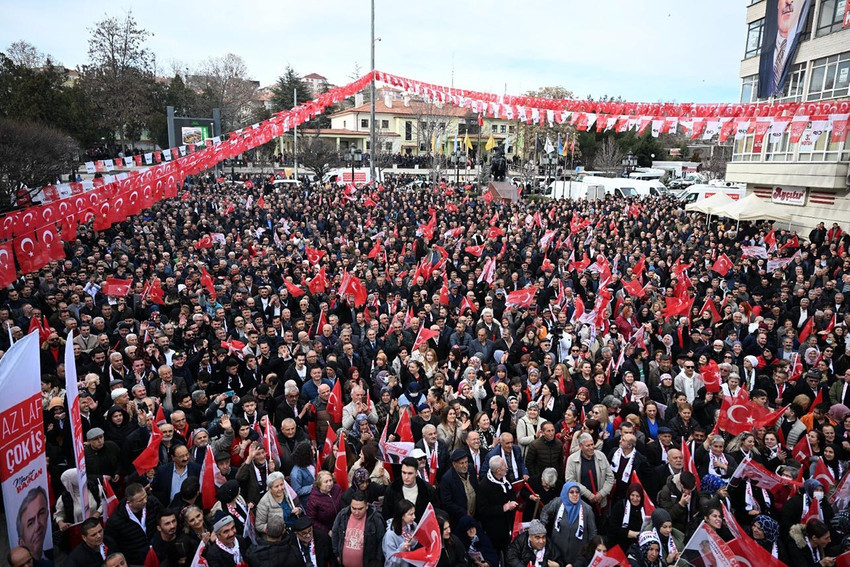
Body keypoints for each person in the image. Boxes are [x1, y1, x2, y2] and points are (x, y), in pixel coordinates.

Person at [104, 483, 165, 566]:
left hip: (158, 554)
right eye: (140, 500)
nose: (145, 501)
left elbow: (165, 517)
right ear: (129, 502)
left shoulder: (153, 503)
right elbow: (113, 548)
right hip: (136, 562)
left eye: (145, 496)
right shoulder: (115, 522)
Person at [539, 481, 596, 566]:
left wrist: (589, 551)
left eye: (577, 492)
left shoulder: (587, 509)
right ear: (566, 492)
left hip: (577, 554)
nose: (575, 494)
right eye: (571, 492)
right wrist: (542, 527)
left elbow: (593, 531)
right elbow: (545, 511)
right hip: (557, 551)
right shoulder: (558, 502)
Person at [331, 490, 386, 567]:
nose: (356, 512)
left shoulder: (375, 519)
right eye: (353, 508)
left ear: (366, 506)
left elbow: (381, 541)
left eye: (360, 509)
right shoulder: (343, 515)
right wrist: (337, 553)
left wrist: (377, 562)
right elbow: (335, 533)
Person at [476, 456, 518, 553]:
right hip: (495, 528)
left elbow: (511, 492)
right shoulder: (484, 486)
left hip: (508, 523)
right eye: (504, 465)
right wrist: (503, 508)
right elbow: (483, 510)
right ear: (498, 470)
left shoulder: (505, 478)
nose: (506, 467)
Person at [382, 456, 438, 521]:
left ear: (416, 473)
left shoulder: (427, 489)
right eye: (404, 473)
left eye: (410, 473)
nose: (406, 477)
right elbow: (386, 514)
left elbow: (434, 512)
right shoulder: (392, 489)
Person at [440, 448, 479, 524]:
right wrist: (463, 512)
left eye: (466, 462)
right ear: (454, 464)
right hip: (460, 519)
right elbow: (447, 502)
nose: (465, 466)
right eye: (461, 463)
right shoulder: (447, 479)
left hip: (475, 515)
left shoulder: (471, 469)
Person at [16, 486, 50, 563]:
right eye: (30, 523)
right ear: (21, 542)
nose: (38, 525)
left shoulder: (53, 557)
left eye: (41, 513)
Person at [382, 499, 418, 567]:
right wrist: (401, 550)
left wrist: (413, 542)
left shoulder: (413, 525)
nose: (414, 517)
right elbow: (390, 563)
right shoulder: (390, 535)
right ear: (402, 515)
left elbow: (417, 547)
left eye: (414, 513)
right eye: (411, 514)